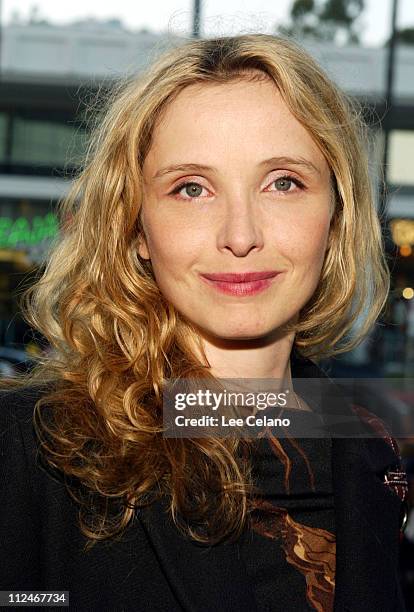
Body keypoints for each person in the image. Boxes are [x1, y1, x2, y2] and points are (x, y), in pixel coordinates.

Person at [0, 33, 408, 612]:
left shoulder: (372, 454)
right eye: (191, 188)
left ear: (336, 217)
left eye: (283, 183)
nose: (240, 236)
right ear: (137, 228)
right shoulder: (28, 449)